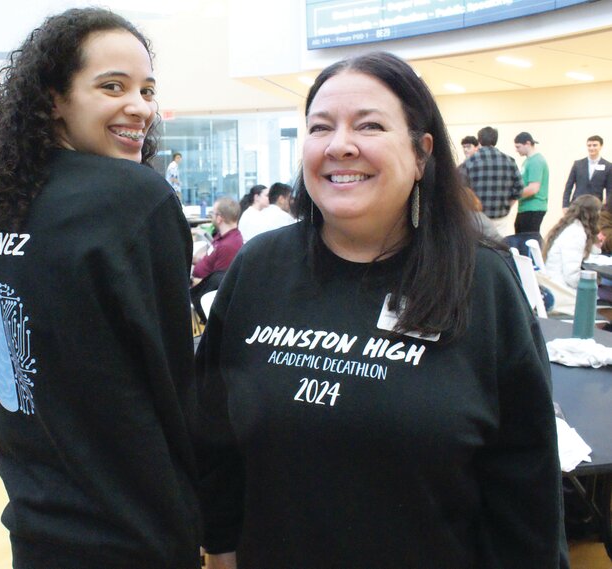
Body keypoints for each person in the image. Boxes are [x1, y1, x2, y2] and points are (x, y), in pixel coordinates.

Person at [195, 51, 566, 569]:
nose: (340, 145)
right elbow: (214, 437)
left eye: (369, 125)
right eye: (321, 127)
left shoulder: (481, 281)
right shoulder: (260, 268)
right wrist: (220, 549)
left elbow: (525, 489)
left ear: (421, 154)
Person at [0, 8, 200, 568]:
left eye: (146, 89)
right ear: (53, 99)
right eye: (112, 86)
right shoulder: (135, 198)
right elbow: (173, 385)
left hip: (34, 515)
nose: (139, 106)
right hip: (134, 525)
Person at [460, 125, 523, 235]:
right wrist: (507, 205)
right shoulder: (510, 161)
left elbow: (460, 189)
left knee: (479, 249)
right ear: (495, 140)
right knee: (500, 248)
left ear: (479, 140)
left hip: (478, 217)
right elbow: (519, 189)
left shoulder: (469, 162)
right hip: (501, 216)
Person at [191, 196, 243, 322]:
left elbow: (218, 283)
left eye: (213, 213)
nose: (211, 216)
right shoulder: (223, 238)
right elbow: (208, 258)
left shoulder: (228, 246)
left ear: (219, 218)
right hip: (198, 286)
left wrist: (194, 280)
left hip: (201, 293)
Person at [543, 194, 601, 290]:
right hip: (563, 291)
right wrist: (597, 281)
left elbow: (594, 252)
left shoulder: (569, 227)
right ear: (593, 214)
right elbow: (572, 277)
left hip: (553, 284)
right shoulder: (576, 234)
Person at [562, 135, 612, 210]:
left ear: (601, 146)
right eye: (589, 145)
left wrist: (608, 208)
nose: (591, 148)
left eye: (595, 145)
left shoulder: (608, 166)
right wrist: (565, 205)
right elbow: (569, 185)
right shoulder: (578, 164)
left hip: (595, 205)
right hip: (577, 204)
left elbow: (610, 189)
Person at [513, 131, 549, 233]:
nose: (516, 150)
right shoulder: (528, 161)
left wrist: (513, 195)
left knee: (528, 239)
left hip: (533, 207)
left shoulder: (536, 161)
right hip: (525, 207)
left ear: (528, 144)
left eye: (518, 147)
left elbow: (533, 188)